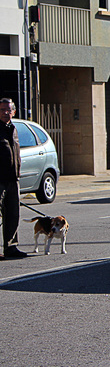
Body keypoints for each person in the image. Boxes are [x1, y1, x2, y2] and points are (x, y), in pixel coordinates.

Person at [0, 98, 27, 258]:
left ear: (14, 112)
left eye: (8, 110)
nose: (5, 113)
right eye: (2, 110)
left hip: (13, 179)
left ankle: (11, 247)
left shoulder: (14, 128)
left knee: (13, 214)